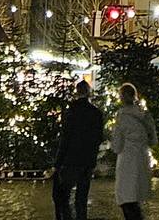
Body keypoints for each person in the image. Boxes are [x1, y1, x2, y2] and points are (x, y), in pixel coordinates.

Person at [53, 80, 104, 220]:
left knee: (64, 196)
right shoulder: (96, 113)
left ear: (77, 92)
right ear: (88, 92)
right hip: (87, 160)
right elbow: (99, 137)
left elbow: (65, 138)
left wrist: (58, 162)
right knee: (82, 197)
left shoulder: (71, 112)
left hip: (71, 160)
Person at [111, 83, 157, 220]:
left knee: (126, 199)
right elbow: (153, 140)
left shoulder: (121, 116)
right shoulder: (145, 114)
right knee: (136, 199)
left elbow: (117, 146)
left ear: (122, 97)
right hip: (142, 159)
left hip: (127, 161)